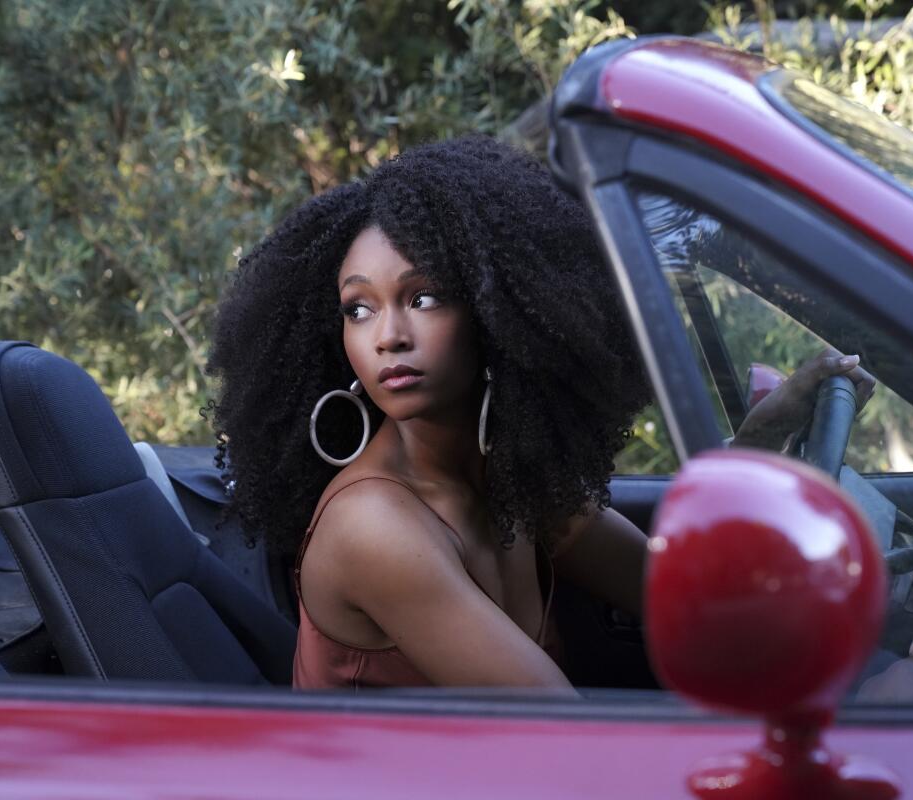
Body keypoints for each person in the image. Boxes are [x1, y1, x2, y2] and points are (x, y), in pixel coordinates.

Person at [206, 136, 874, 691]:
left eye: (426, 297)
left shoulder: (509, 479)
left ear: (502, 316)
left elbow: (686, 601)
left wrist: (761, 438)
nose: (388, 336)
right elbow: (568, 736)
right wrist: (864, 705)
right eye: (360, 309)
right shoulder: (373, 528)